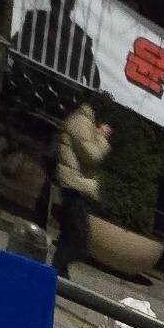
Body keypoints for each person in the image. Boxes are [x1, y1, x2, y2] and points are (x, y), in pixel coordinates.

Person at [17, 0, 101, 90]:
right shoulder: (35, 20)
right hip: (31, 97)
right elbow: (19, 56)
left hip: (54, 102)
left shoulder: (80, 39)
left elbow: (94, 82)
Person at [53, 102, 111, 278]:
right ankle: (56, 269)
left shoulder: (84, 122)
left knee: (69, 234)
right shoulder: (81, 122)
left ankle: (57, 272)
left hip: (75, 186)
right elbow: (92, 156)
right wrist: (101, 137)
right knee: (80, 241)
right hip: (74, 186)